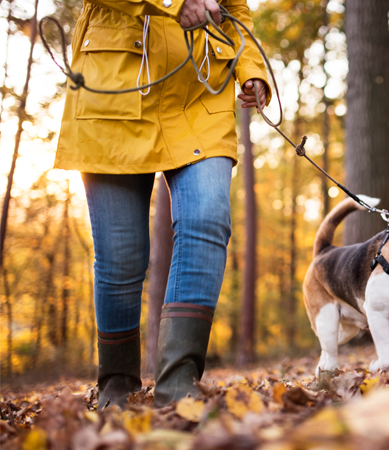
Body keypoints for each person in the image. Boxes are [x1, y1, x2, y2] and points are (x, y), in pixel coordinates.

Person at [53, 0, 269, 408]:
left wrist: (252, 69)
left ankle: (179, 382)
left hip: (199, 93)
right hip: (114, 90)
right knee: (121, 257)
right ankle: (117, 384)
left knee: (207, 221)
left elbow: (237, 9)